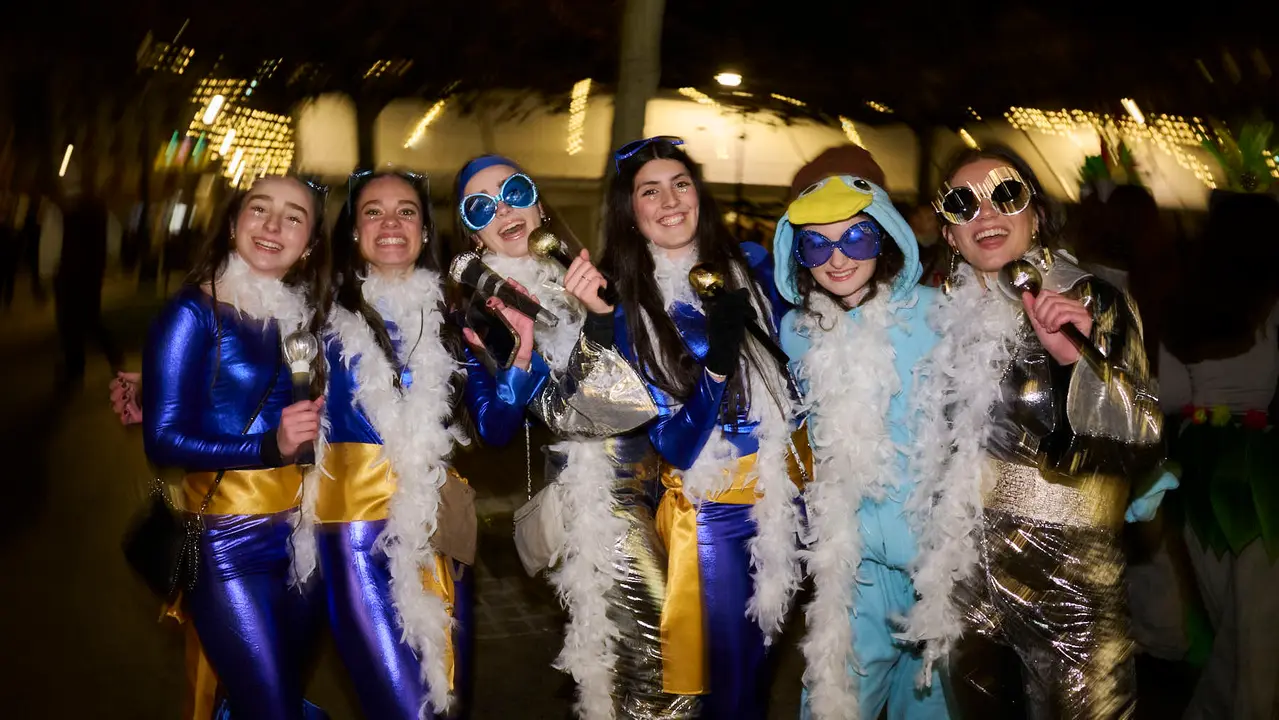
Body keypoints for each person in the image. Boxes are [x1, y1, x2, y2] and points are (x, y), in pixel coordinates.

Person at [900, 146, 1165, 718]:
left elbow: (1141, 440)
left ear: (1035, 213)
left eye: (1005, 195)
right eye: (962, 204)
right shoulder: (941, 320)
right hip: (969, 582)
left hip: (1070, 582)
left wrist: (1074, 361)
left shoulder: (1091, 300)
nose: (986, 215)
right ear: (948, 233)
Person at [306, 168, 533, 718]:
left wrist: (520, 358)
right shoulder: (318, 314)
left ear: (426, 232)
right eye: (373, 211)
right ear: (354, 231)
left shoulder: (457, 317)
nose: (390, 223)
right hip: (356, 532)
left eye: (406, 211)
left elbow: (496, 429)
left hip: (438, 524)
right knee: (407, 709)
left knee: (450, 699)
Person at [454, 155, 670, 718]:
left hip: (659, 488)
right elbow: (500, 429)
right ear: (473, 234)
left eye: (514, 190)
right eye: (481, 205)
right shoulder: (482, 320)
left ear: (539, 204)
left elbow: (649, 384)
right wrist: (522, 349)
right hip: (601, 503)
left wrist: (605, 309)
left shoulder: (585, 275)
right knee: (663, 668)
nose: (502, 207)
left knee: (627, 669)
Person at [601, 137, 807, 719]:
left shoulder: (752, 265)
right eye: (650, 191)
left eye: (681, 184)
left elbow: (803, 358)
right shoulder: (629, 310)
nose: (670, 200)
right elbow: (673, 444)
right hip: (712, 517)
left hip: (785, 503)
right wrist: (716, 365)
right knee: (731, 689)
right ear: (631, 212)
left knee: (759, 676)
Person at [141, 174, 329, 718]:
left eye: (294, 216)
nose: (273, 226)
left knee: (270, 699)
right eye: (260, 209)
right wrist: (268, 448)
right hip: (228, 544)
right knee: (273, 709)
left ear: (310, 242)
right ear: (232, 223)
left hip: (304, 545)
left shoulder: (305, 317)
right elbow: (163, 439)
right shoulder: (193, 313)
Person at [773, 174, 948, 719]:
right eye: (817, 244)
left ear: (887, 239)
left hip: (939, 564)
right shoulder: (797, 330)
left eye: (856, 239)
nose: (838, 259)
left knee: (934, 709)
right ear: (798, 255)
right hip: (853, 569)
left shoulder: (937, 313)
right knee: (835, 705)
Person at [1161, 189, 1279, 720]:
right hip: (1258, 470)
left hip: (1198, 465)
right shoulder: (1271, 306)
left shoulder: (1183, 304)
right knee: (1255, 631)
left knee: (1231, 621)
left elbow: (1169, 396)